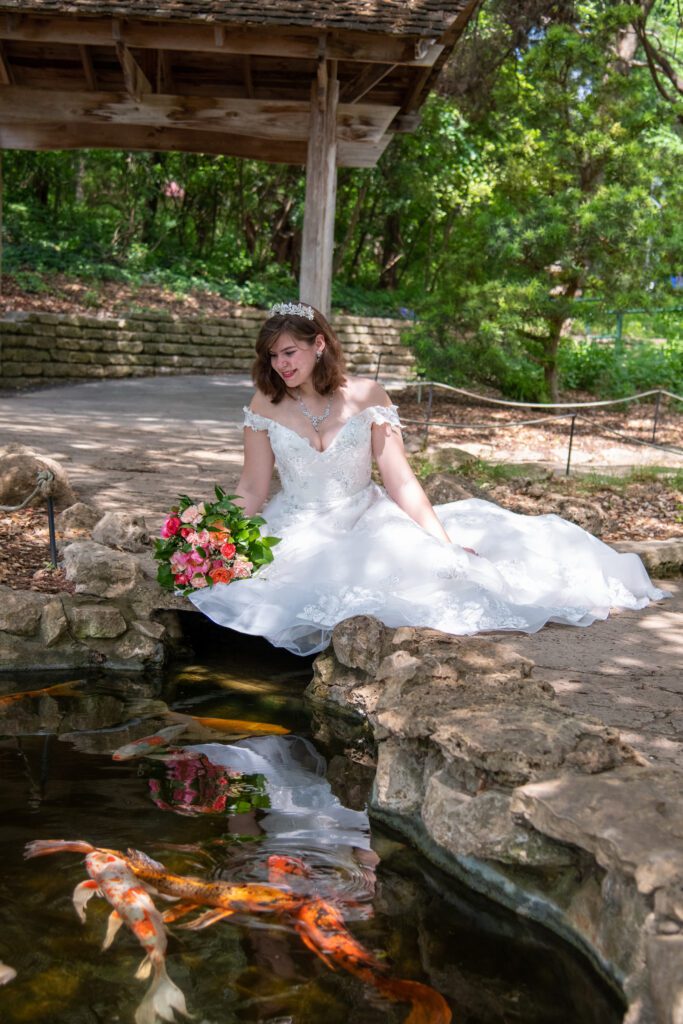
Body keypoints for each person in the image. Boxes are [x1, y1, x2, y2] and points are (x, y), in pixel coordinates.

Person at [189, 302, 667, 656]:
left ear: (319, 344)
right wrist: (210, 537)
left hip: (363, 519)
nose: (281, 365)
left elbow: (401, 481)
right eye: (273, 357)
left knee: (441, 575)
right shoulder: (263, 405)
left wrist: (442, 541)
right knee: (253, 588)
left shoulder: (367, 396)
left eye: (289, 352)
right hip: (294, 524)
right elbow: (251, 488)